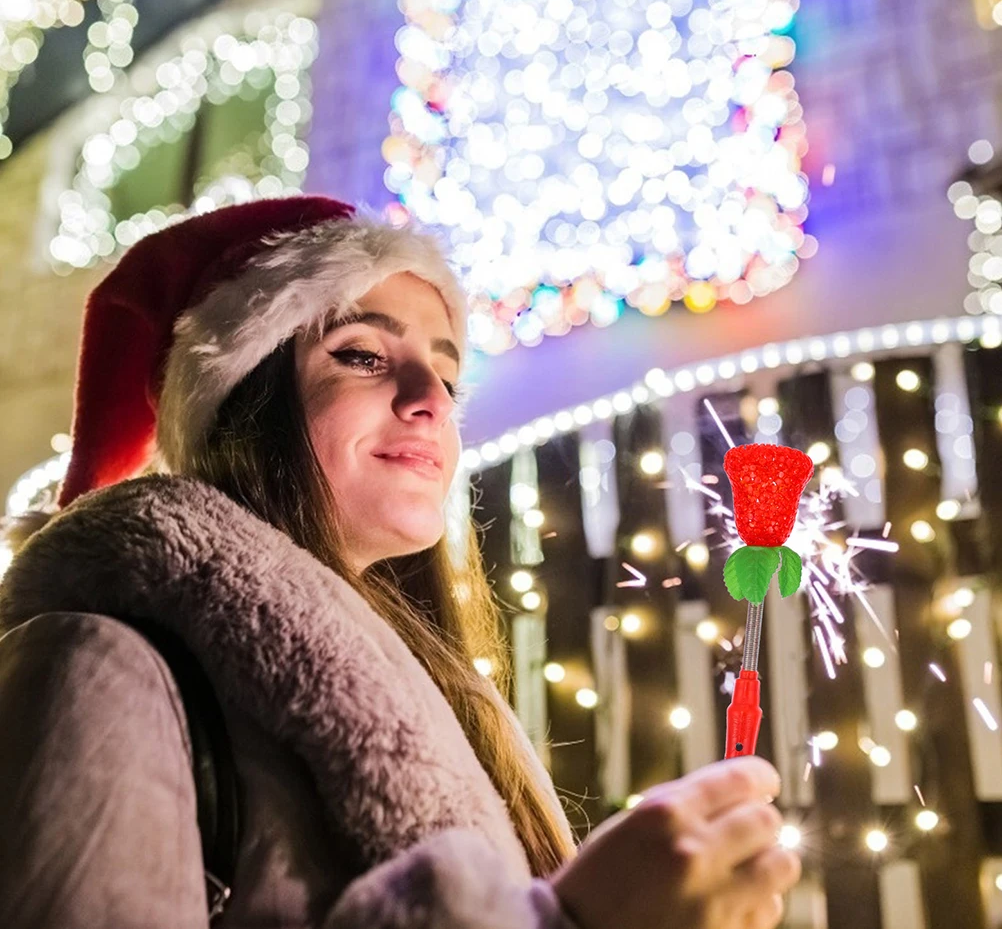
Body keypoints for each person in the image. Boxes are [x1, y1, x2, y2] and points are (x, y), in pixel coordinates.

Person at [0, 195, 800, 928]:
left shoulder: (460, 705)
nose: (430, 396)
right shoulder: (98, 665)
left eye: (449, 375)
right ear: (241, 403)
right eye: (361, 355)